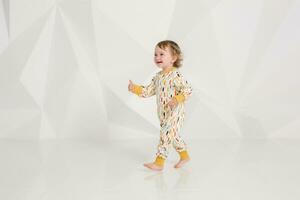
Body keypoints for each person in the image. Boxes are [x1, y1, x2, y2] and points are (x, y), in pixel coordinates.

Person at [128, 40, 192, 171]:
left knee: (165, 135)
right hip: (163, 114)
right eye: (155, 54)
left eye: (162, 54)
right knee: (173, 137)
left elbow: (188, 90)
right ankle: (185, 156)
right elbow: (148, 91)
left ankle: (159, 162)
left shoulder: (175, 75)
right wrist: (135, 88)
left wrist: (177, 98)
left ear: (173, 58)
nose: (157, 57)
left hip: (176, 112)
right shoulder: (157, 77)